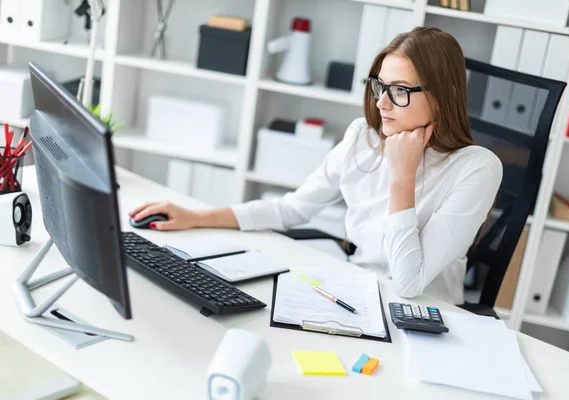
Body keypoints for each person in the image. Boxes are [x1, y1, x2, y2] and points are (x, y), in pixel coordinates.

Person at [129, 27, 502, 305]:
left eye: (400, 90)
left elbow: (409, 283)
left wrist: (402, 176)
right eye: (379, 86)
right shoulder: (363, 138)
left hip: (427, 315)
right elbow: (291, 208)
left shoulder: (476, 168)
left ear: (445, 96)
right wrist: (196, 217)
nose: (383, 103)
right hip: (360, 294)